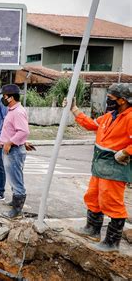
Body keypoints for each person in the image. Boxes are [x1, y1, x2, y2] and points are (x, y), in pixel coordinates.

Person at [68, 83, 131, 252]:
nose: (108, 101)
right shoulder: (110, 116)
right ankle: (92, 229)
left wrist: (126, 152)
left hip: (114, 167)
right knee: (93, 197)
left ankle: (112, 242)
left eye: (111, 98)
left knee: (112, 202)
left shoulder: (130, 117)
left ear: (122, 100)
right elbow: (91, 125)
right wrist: (74, 110)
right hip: (100, 164)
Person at [0, 84, 30, 219]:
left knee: (16, 179)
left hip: (14, 150)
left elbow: (24, 131)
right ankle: (15, 202)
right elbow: (15, 130)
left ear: (10, 98)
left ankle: (17, 211)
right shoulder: (12, 110)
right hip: (12, 149)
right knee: (13, 177)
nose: (3, 99)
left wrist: (10, 142)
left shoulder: (17, 112)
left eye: (4, 96)